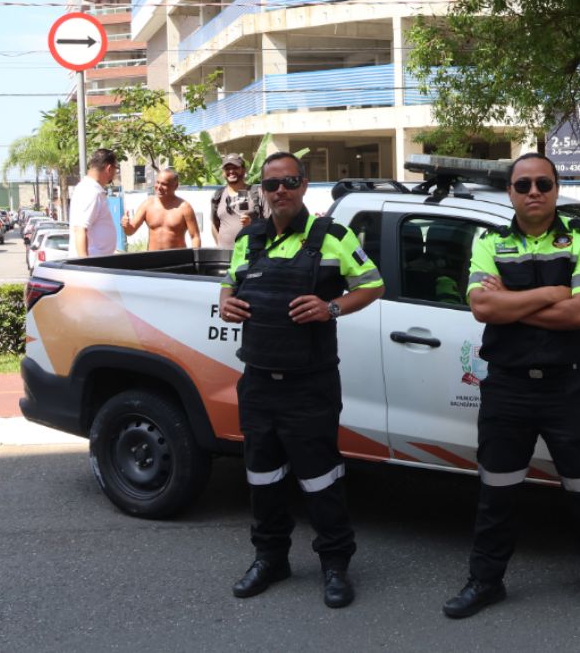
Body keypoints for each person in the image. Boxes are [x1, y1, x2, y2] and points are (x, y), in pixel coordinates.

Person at [442, 153, 580, 630]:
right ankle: (486, 581)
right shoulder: (488, 240)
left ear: (556, 188)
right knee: (497, 491)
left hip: (567, 387)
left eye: (543, 183)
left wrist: (511, 300)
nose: (533, 192)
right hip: (507, 387)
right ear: (510, 191)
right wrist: (553, 293)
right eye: (523, 184)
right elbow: (482, 307)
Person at [217, 151, 384, 608]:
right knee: (262, 477)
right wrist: (227, 301)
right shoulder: (248, 240)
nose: (281, 191)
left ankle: (335, 565)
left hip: (309, 385)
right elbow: (230, 284)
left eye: (289, 181)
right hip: (258, 383)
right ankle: (270, 558)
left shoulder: (333, 237)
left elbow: (373, 284)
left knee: (321, 478)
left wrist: (331, 307)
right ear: (263, 192)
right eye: (272, 185)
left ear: (304, 184)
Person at [121, 168, 201, 250]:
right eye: (157, 182)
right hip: (153, 260)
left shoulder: (184, 208)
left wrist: (195, 259)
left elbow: (195, 236)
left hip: (178, 260)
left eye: (164, 184)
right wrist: (126, 225)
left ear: (175, 186)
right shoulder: (147, 205)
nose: (159, 187)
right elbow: (130, 231)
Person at [69, 149, 118, 258]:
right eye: (116, 169)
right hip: (93, 266)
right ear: (109, 168)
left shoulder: (89, 188)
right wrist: (85, 266)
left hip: (99, 263)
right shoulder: (91, 191)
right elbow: (80, 229)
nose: (115, 174)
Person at [211, 154, 267, 249]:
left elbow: (271, 224)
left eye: (235, 168)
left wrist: (252, 224)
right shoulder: (218, 195)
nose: (231, 171)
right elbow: (214, 224)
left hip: (250, 256)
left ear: (244, 170)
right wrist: (220, 246)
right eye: (227, 168)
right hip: (225, 257)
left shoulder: (257, 193)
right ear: (223, 172)